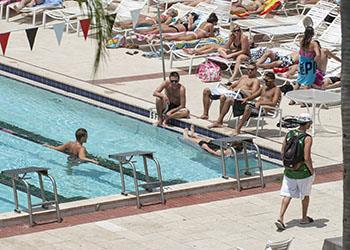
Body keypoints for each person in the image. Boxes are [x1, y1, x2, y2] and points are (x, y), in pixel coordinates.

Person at [275, 113, 315, 231]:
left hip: (289, 171)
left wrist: (288, 165)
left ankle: (281, 217)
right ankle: (304, 218)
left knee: (287, 195)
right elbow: (306, 157)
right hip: (302, 172)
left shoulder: (289, 133)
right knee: (305, 195)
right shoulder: (307, 138)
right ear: (307, 123)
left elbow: (282, 151)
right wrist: (311, 170)